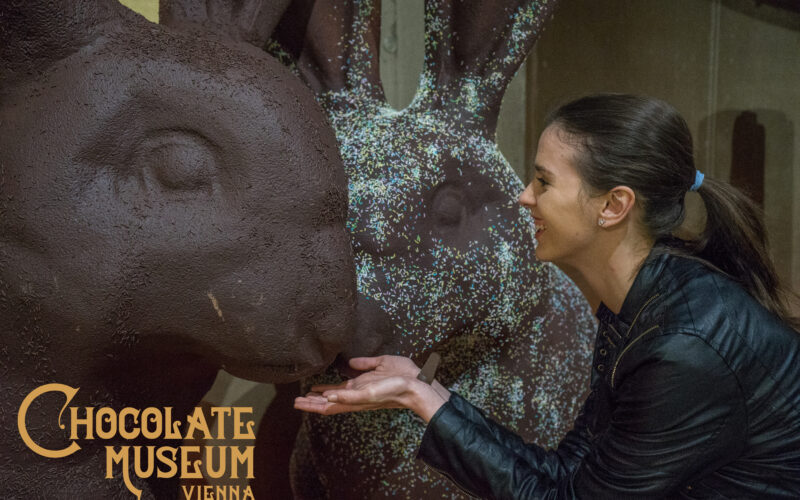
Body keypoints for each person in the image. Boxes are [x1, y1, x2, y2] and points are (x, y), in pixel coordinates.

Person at [294, 94, 800, 498]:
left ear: (613, 205)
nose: (523, 196)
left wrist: (424, 400)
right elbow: (567, 474)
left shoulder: (683, 347)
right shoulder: (638, 305)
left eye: (543, 181)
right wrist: (424, 392)